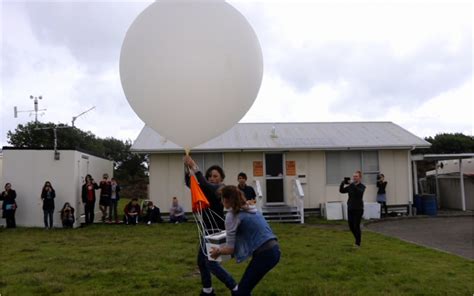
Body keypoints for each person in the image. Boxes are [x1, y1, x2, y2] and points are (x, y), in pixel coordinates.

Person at [210, 185, 280, 296]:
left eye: (222, 199)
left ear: (226, 199)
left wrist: (217, 251)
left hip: (264, 254)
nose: (221, 202)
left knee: (241, 292)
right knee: (244, 290)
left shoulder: (231, 216)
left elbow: (230, 249)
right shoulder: (250, 207)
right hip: (275, 250)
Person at [184, 155, 237, 296]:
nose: (212, 178)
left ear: (221, 179)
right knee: (202, 262)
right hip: (206, 230)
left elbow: (207, 186)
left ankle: (235, 287)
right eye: (210, 176)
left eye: (215, 176)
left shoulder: (221, 189)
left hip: (215, 231)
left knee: (211, 263)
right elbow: (190, 183)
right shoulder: (206, 189)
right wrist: (187, 168)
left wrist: (195, 167)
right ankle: (208, 290)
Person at [339, 170, 366, 248]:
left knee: (356, 226)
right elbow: (342, 191)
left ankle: (358, 243)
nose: (354, 178)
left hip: (358, 209)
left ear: (360, 178)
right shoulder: (351, 186)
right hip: (350, 208)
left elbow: (359, 193)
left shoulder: (362, 186)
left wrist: (352, 184)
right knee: (351, 227)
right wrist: (342, 183)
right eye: (353, 176)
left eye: (356, 176)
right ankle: (357, 239)